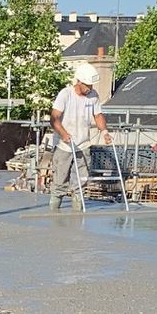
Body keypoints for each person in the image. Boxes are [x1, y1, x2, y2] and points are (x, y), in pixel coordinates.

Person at [47, 61, 111, 212]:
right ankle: (55, 207)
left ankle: (77, 207)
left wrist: (104, 132)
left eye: (91, 86)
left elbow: (98, 115)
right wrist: (63, 134)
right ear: (79, 82)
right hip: (65, 145)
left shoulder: (93, 96)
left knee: (81, 178)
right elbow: (54, 118)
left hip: (83, 144)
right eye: (87, 86)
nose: (90, 89)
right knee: (60, 178)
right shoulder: (65, 94)